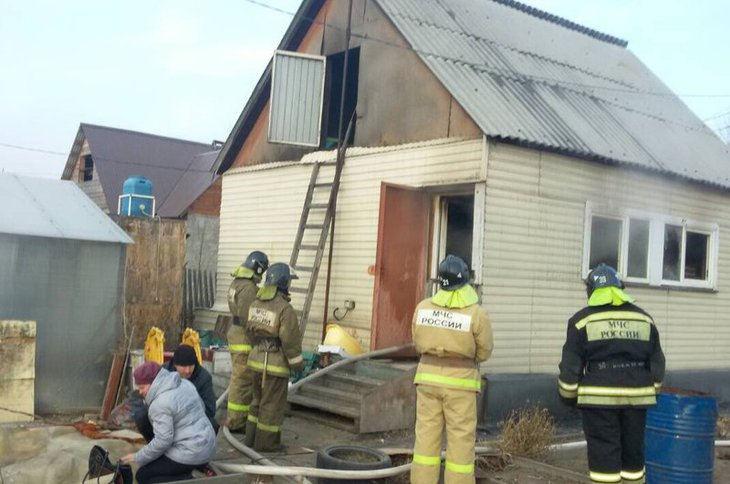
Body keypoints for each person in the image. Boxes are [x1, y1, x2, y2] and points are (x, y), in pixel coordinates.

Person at [558, 263, 665, 484]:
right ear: (620, 287)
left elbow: (570, 368)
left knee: (604, 460)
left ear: (591, 291)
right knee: (633, 459)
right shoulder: (644, 319)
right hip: (637, 400)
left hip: (598, 402)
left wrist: (569, 397)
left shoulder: (581, 321)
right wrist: (651, 391)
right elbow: (658, 364)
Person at [410, 255, 493, 484]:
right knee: (460, 444)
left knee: (425, 441)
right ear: (465, 280)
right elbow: (485, 351)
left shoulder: (423, 307)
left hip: (426, 381)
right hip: (461, 385)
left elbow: (417, 342)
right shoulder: (476, 313)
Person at [121, 361, 216, 484]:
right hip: (208, 446)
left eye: (142, 387)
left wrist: (138, 456)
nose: (140, 392)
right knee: (144, 418)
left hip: (191, 454)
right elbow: (201, 409)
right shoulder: (185, 384)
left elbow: (163, 441)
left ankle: (188, 480)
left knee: (143, 476)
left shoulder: (160, 403)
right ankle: (188, 470)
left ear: (154, 382)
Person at [244, 263, 304, 452]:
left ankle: (251, 439)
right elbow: (290, 341)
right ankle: (268, 444)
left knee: (256, 401)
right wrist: (298, 366)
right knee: (272, 406)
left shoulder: (255, 303)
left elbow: (249, 333)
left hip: (255, 361)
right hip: (275, 366)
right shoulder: (285, 309)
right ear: (284, 282)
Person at [133, 344, 218, 441]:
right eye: (183, 366)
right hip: (165, 417)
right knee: (141, 415)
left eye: (191, 365)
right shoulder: (163, 371)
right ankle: (155, 446)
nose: (187, 370)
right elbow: (150, 399)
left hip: (191, 422)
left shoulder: (204, 378)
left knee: (212, 424)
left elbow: (210, 410)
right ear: (175, 364)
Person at [226, 250, 269, 431]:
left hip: (235, 333)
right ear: (258, 269)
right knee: (243, 381)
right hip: (244, 337)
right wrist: (259, 338)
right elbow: (248, 317)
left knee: (240, 378)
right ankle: (237, 421)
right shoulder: (249, 288)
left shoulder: (236, 282)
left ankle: (238, 419)